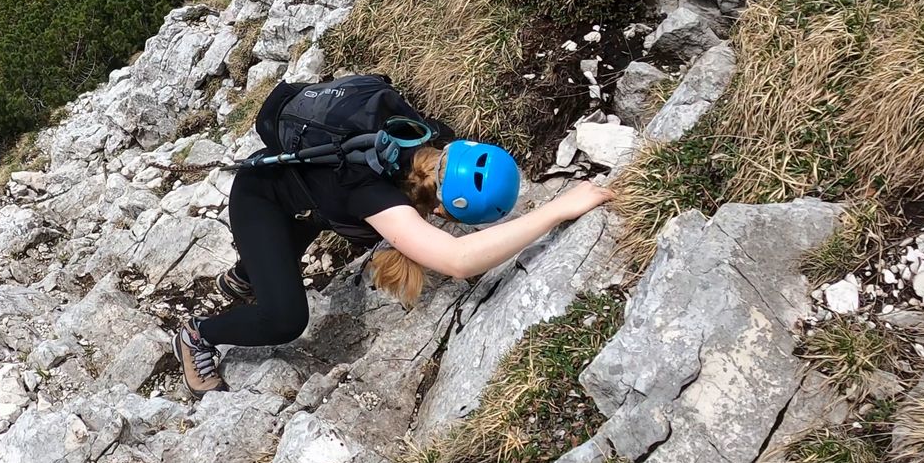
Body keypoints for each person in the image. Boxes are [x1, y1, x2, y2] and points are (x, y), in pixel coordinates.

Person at [172, 78, 614, 394]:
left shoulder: (431, 139)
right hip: (261, 195)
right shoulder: (373, 193)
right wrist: (558, 209)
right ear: (441, 209)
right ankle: (198, 334)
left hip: (301, 188)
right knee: (285, 318)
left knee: (307, 219)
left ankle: (250, 271)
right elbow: (458, 260)